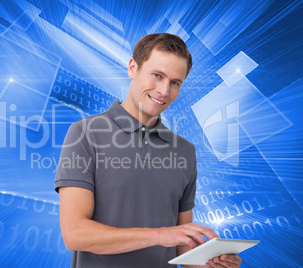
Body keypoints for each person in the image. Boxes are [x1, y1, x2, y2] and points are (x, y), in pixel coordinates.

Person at [54, 33, 242, 268]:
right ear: (133, 67)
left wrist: (208, 263)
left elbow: (181, 243)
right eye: (157, 75)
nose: (164, 91)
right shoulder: (85, 133)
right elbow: (75, 234)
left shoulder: (185, 151)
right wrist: (158, 235)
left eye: (175, 82)